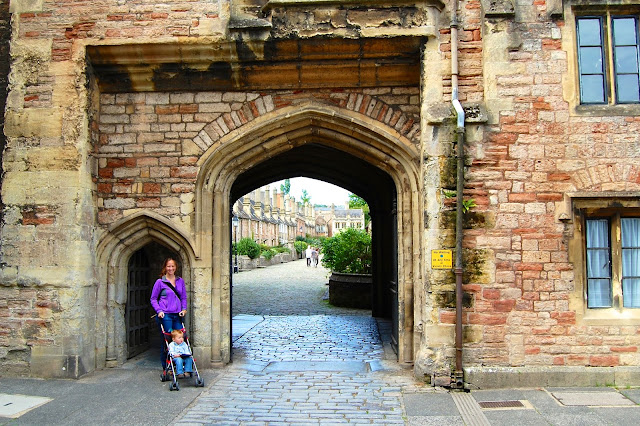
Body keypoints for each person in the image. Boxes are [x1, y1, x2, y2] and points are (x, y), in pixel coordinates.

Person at [150, 257, 187, 366]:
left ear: (176, 267)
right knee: (167, 340)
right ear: (165, 267)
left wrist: (184, 309)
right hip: (165, 315)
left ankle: (179, 364)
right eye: (168, 266)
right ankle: (166, 366)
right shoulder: (160, 282)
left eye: (172, 266)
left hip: (177, 315)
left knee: (181, 338)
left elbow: (183, 297)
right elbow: (153, 299)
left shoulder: (180, 281)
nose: (170, 268)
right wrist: (159, 310)